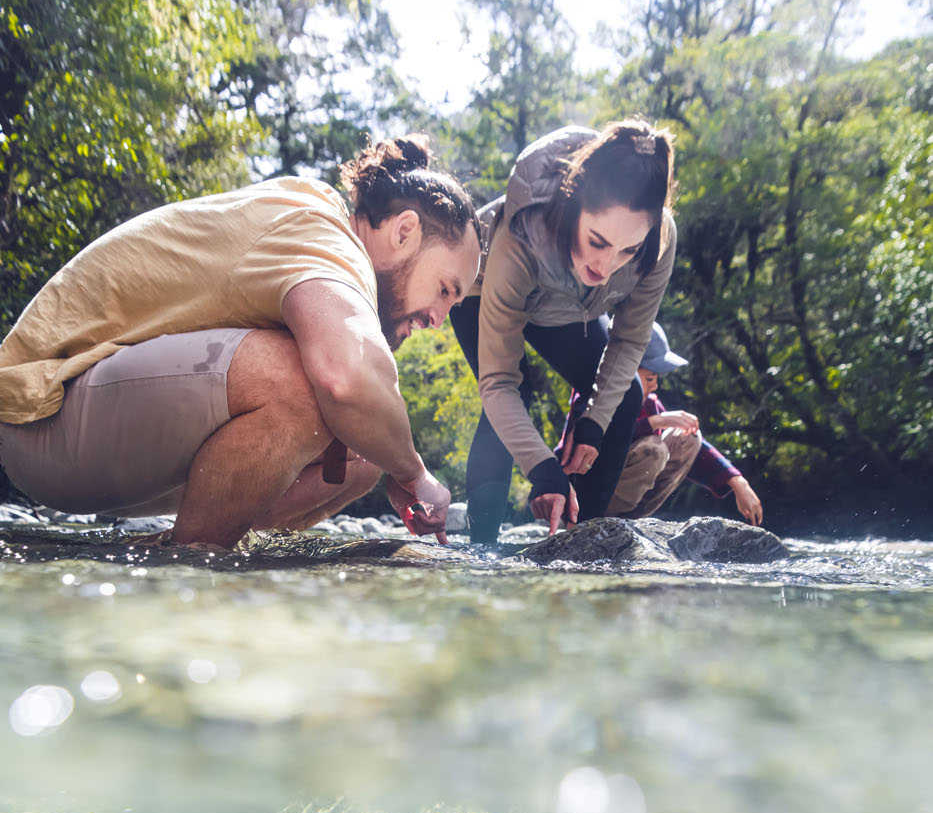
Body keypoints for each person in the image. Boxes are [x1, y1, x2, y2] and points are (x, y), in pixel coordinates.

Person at [0, 137, 480, 548]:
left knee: (362, 455)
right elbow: (346, 374)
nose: (439, 319)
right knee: (308, 380)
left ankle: (206, 548)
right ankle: (194, 573)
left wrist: (394, 463)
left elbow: (364, 407)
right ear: (404, 232)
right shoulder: (325, 232)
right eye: (445, 289)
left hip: (99, 439)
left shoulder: (324, 235)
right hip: (42, 410)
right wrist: (416, 474)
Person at [450, 119, 677, 544]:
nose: (608, 265)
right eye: (598, 241)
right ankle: (481, 546)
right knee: (516, 397)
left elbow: (629, 341)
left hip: (569, 306)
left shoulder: (659, 241)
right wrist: (543, 468)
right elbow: (498, 382)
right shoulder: (521, 236)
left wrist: (593, 424)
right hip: (481, 289)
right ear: (574, 206)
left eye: (628, 250)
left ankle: (585, 543)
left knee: (625, 396)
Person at [604, 322, 763, 524]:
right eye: (650, 378)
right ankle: (598, 520)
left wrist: (736, 481)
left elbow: (694, 450)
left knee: (689, 437)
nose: (655, 386)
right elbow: (603, 440)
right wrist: (655, 422)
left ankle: (627, 521)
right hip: (587, 497)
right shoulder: (593, 395)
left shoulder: (650, 403)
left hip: (626, 504)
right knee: (653, 449)